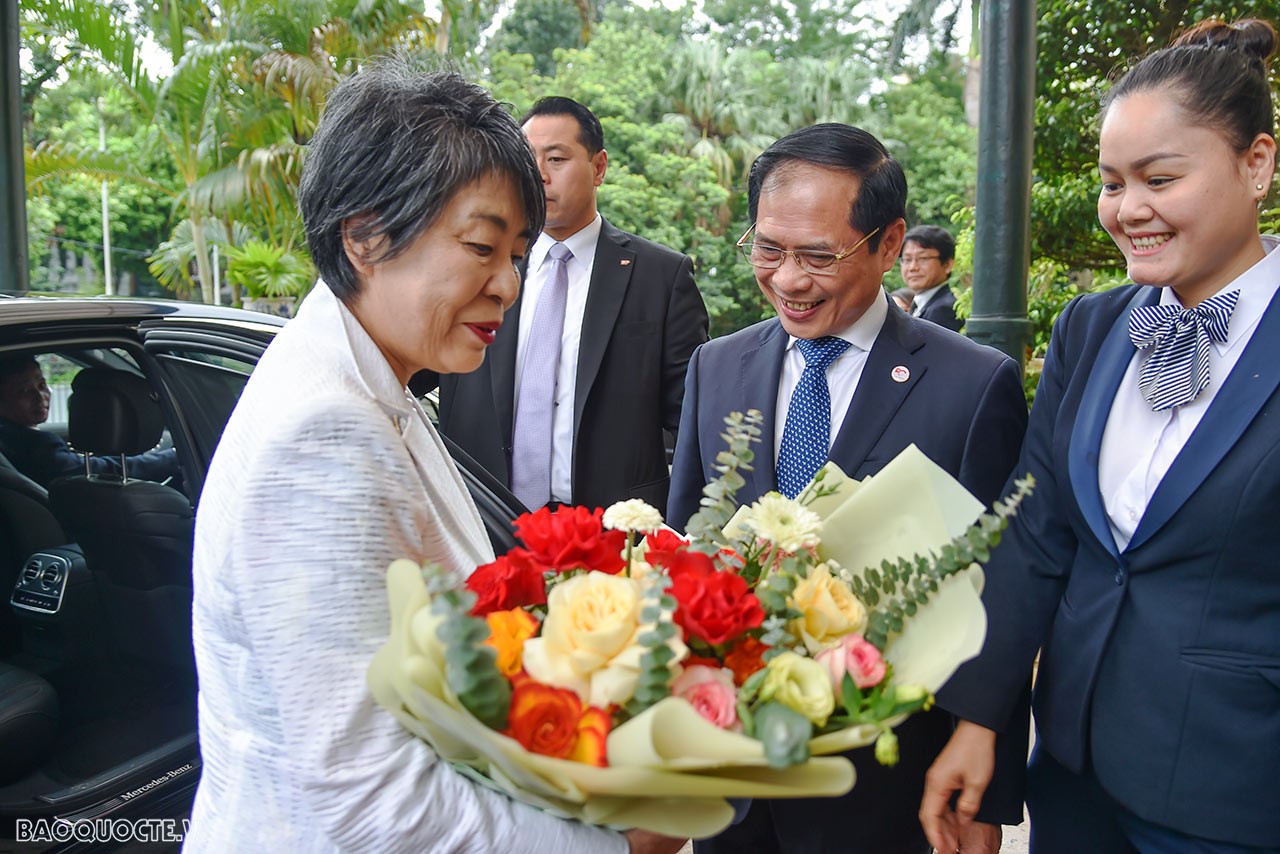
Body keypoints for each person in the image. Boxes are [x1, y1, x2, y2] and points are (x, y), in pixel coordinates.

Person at [184, 61, 683, 854]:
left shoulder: (376, 378)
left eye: (517, 252)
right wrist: (622, 840)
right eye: (483, 247)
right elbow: (372, 803)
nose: (509, 286)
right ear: (367, 234)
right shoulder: (325, 437)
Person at [922, 18, 1280, 854]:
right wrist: (980, 717)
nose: (1129, 210)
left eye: (1160, 178)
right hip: (1075, 775)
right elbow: (1037, 535)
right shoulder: (1092, 325)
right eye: (1112, 182)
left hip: (1242, 790)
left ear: (1256, 163)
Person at [666, 123, 1030, 854]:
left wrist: (984, 792)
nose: (789, 280)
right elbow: (685, 558)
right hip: (730, 784)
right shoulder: (717, 367)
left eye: (818, 255)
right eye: (768, 249)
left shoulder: (972, 384)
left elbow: (1004, 595)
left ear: (890, 243)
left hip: (886, 792)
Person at [431, 96, 709, 518]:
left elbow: (691, 421)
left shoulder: (661, 276)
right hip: (482, 519)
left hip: (612, 534)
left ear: (599, 167)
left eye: (556, 158)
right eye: (528, 160)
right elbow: (406, 367)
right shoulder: (475, 263)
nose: (538, 175)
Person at [0, 355, 180, 488]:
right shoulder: (35, 446)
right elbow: (98, 472)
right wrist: (172, 458)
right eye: (24, 391)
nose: (40, 397)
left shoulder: (11, 440)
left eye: (41, 385)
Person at [901, 224, 962, 332]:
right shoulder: (921, 305)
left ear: (947, 265)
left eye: (923, 258)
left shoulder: (943, 310)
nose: (913, 267)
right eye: (907, 259)